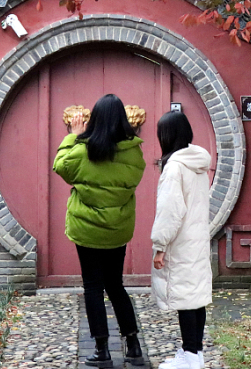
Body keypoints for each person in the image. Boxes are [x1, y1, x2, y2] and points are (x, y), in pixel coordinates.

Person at [53, 93, 147, 368]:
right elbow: (134, 179)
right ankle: (133, 344)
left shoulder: (83, 150)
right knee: (115, 285)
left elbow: (61, 166)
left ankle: (102, 350)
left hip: (87, 229)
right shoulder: (134, 152)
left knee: (93, 287)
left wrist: (73, 135)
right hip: (118, 229)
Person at [150, 111, 213, 369]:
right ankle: (195, 355)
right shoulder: (197, 163)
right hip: (196, 239)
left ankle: (189, 358)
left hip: (181, 242)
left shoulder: (175, 167)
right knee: (195, 298)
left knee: (186, 299)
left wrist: (160, 246)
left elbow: (170, 211)